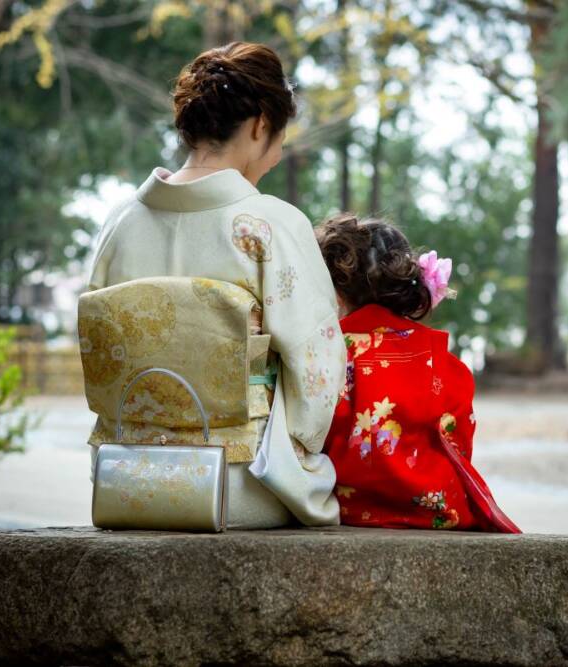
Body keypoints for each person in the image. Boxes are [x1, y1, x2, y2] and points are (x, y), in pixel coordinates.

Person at [84, 42, 346, 528]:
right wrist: (301, 454)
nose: (279, 151)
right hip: (240, 483)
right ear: (259, 125)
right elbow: (318, 367)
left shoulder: (119, 224)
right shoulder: (270, 225)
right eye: (281, 135)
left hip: (129, 476)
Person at [316, 213, 520, 532]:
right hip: (435, 510)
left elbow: (314, 436)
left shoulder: (330, 352)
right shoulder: (443, 360)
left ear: (336, 291)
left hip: (349, 508)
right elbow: (459, 444)